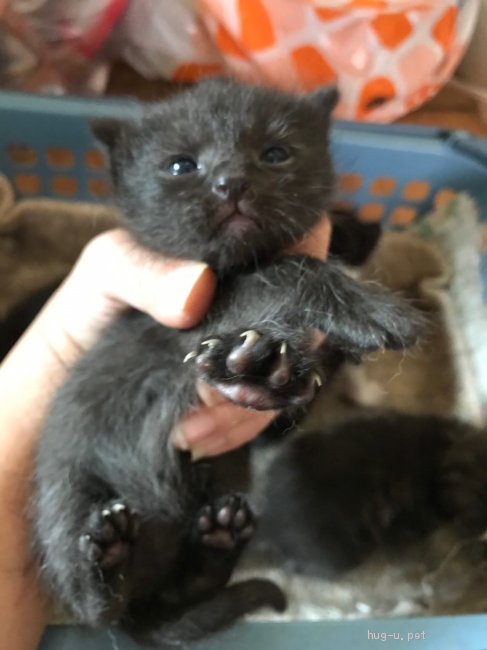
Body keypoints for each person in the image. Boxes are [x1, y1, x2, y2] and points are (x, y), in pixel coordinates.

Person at [0, 219, 330, 649]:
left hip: (139, 520)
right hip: (127, 525)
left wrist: (57, 344)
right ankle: (184, 568)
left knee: (197, 477)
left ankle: (175, 570)